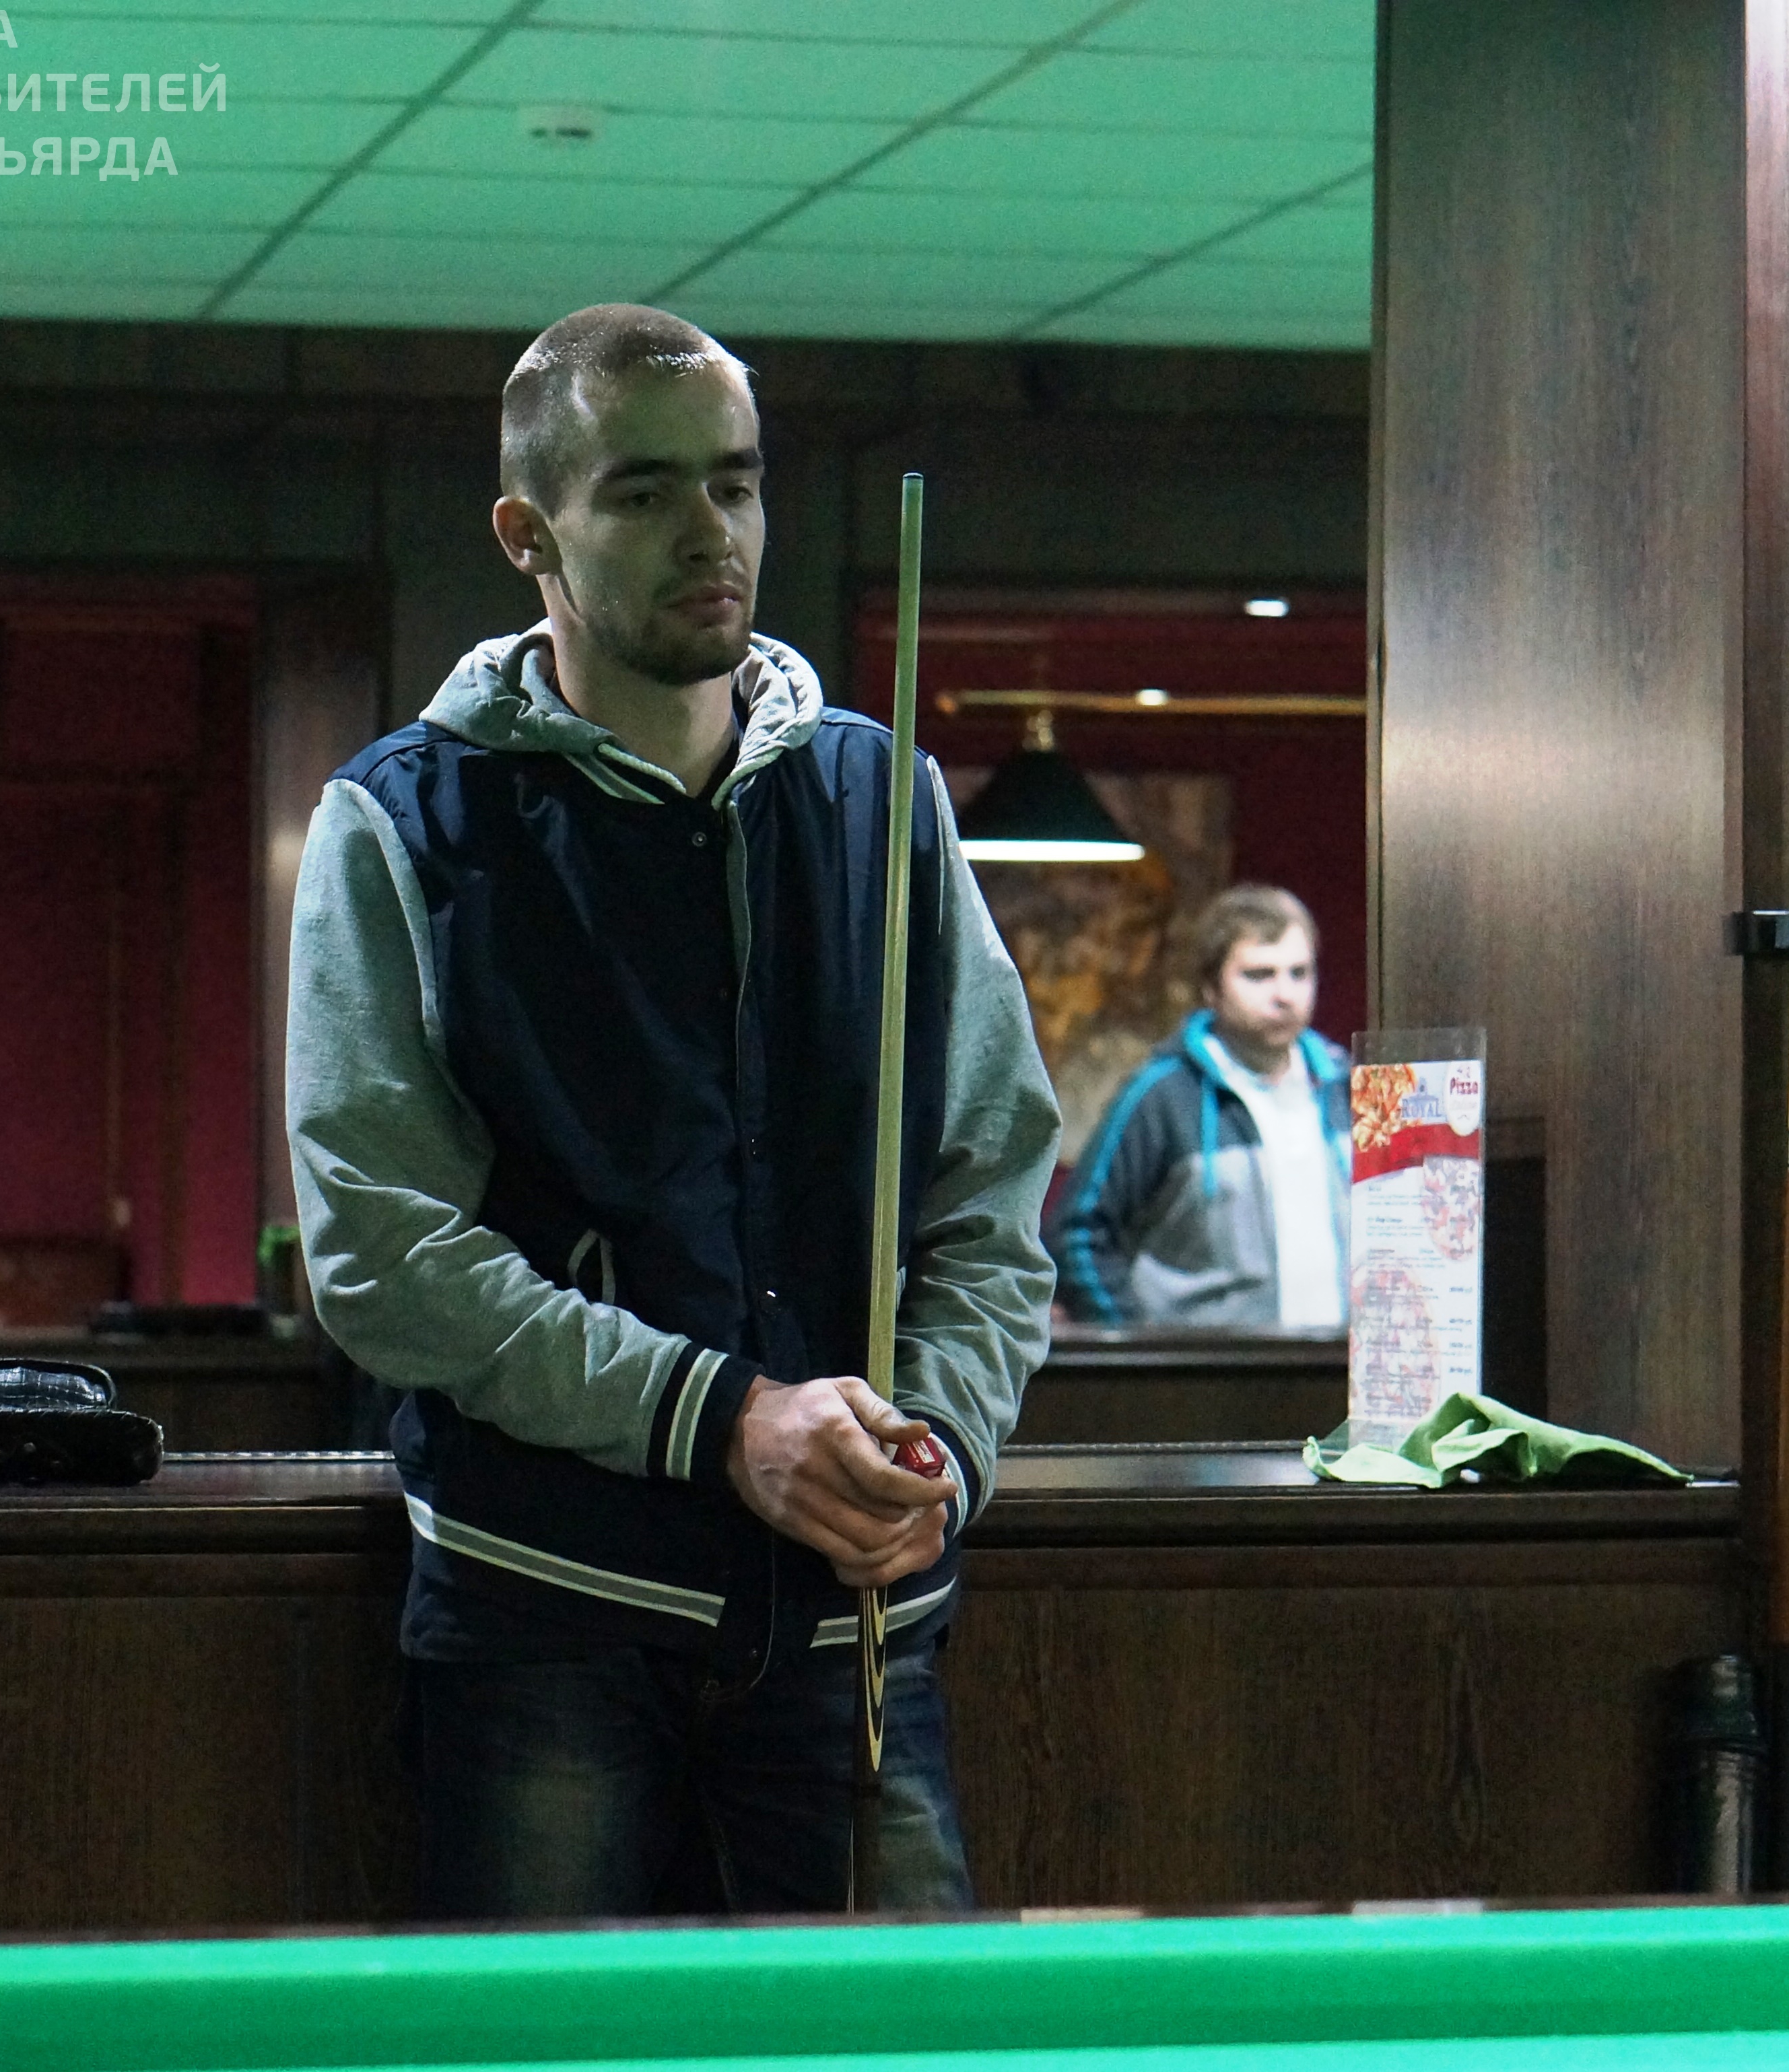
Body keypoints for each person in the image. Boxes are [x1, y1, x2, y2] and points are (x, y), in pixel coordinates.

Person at [285, 304, 1059, 1920]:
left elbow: (988, 1200)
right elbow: (380, 1257)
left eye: (736, 481)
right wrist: (726, 1419)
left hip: (851, 1619)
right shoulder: (406, 818)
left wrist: (931, 1449)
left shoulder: (885, 797)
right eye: (643, 492)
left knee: (899, 2048)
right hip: (547, 1619)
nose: (712, 531)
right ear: (528, 534)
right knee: (550, 2046)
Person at [1049, 885, 1350, 1328]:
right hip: (1204, 1367)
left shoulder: (1348, 1085)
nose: (1284, 994)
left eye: (1299, 973)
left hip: (1337, 1359)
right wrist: (1138, 1342)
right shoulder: (1163, 1095)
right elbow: (1076, 1233)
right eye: (1259, 975)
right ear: (1211, 988)